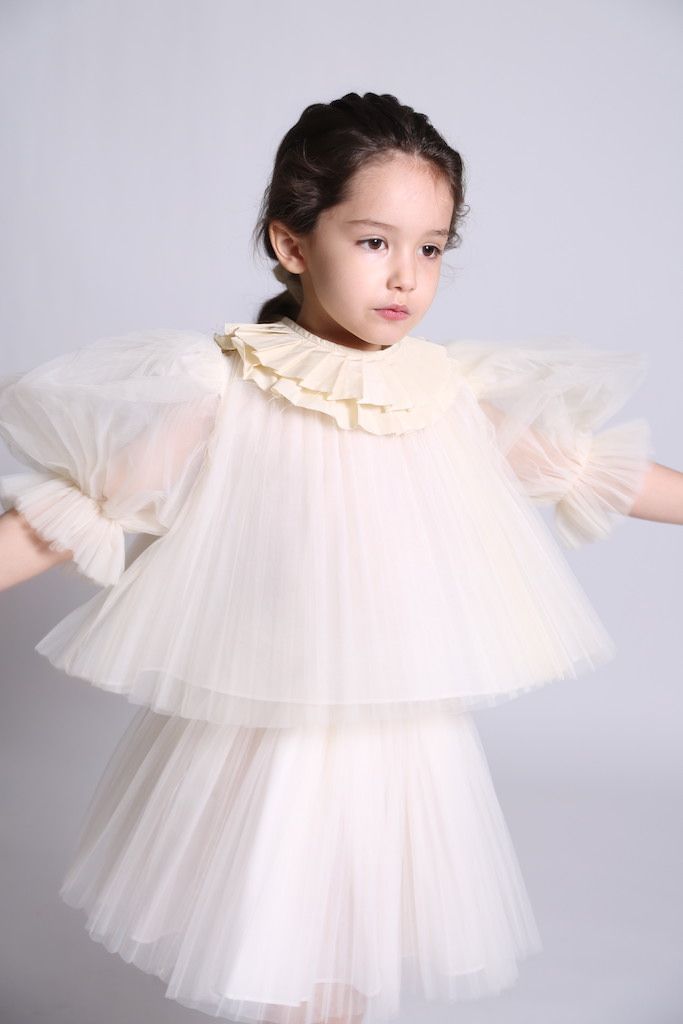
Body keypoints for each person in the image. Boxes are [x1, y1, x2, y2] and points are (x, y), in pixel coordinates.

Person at [0, 91, 681, 1024]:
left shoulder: (444, 391)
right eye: (372, 241)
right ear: (291, 243)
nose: (405, 275)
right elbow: (72, 514)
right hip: (272, 728)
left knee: (350, 957)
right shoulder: (223, 388)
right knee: (290, 944)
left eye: (430, 249)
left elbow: (594, 469)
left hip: (394, 738)